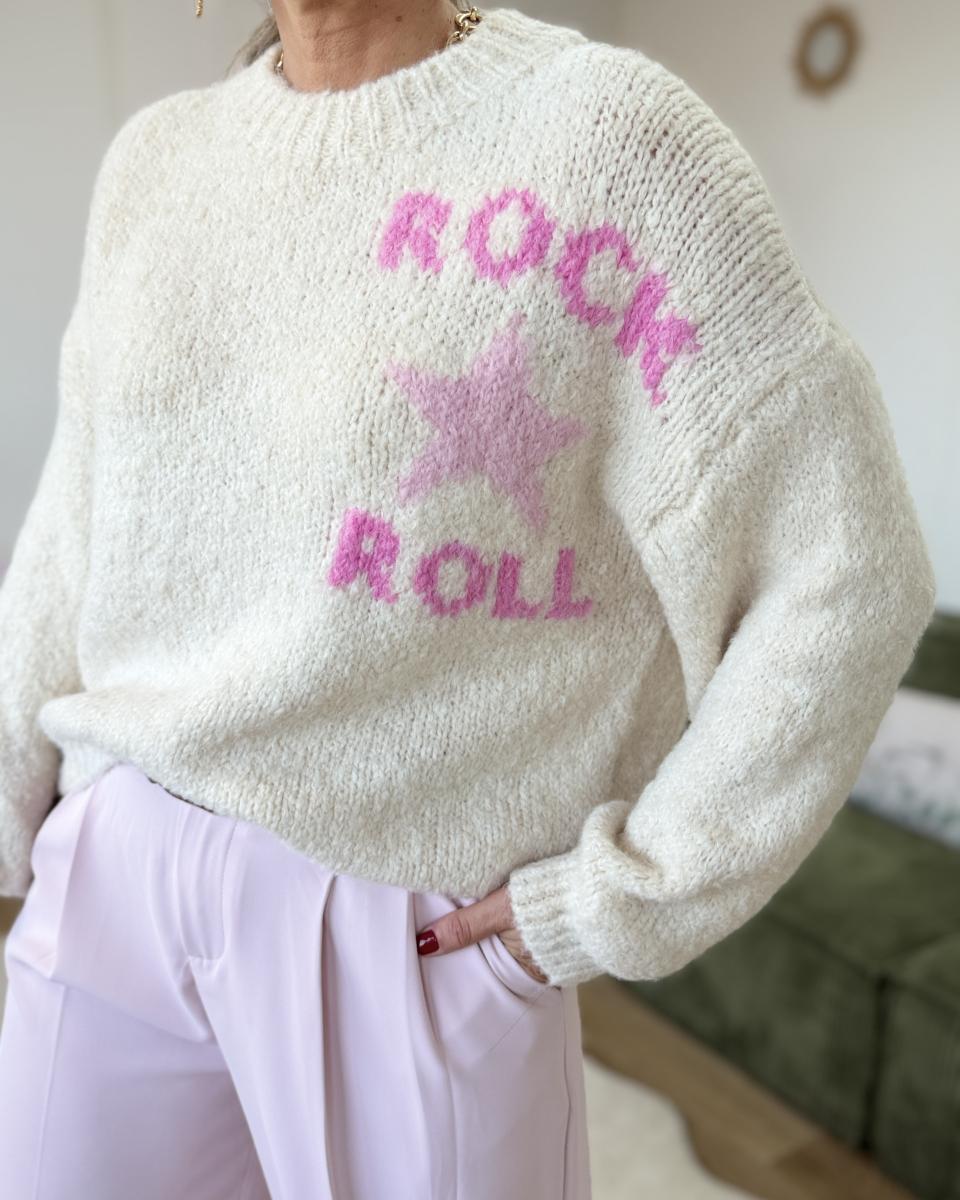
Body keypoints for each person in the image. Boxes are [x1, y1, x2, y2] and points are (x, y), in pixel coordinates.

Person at [0, 1, 937, 1197]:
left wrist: (624, 895)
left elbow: (851, 565)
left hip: (402, 922)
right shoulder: (155, 159)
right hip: (116, 848)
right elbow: (77, 514)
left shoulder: (611, 139)